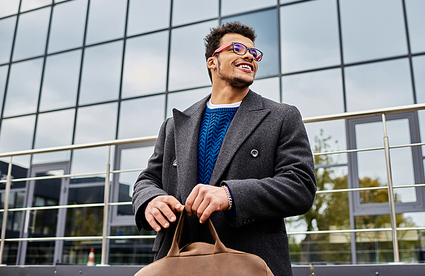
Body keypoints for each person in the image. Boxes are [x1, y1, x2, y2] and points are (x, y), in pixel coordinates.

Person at [132, 21, 316, 275]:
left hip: (250, 262)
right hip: (178, 263)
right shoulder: (175, 124)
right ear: (212, 62)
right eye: (238, 48)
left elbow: (300, 186)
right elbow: (147, 179)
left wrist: (230, 196)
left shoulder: (282, 117)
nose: (249, 55)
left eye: (254, 52)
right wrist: (150, 200)